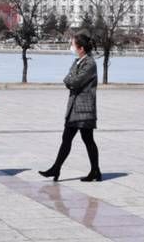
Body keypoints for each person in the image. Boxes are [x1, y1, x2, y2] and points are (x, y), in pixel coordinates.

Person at [39, 31, 102, 182]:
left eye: (73, 45)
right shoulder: (78, 62)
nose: (71, 47)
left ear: (81, 48)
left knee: (87, 140)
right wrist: (70, 79)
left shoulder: (90, 64)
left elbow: (74, 81)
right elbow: (67, 79)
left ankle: (94, 171)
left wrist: (70, 80)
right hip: (74, 108)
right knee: (67, 138)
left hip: (84, 109)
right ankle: (57, 168)